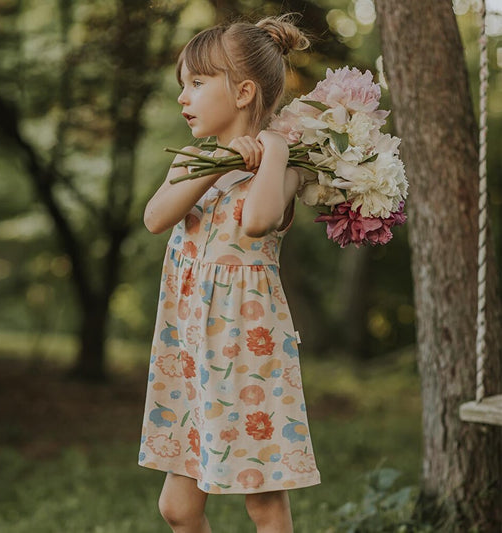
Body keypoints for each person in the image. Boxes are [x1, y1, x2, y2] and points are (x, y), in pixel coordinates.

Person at [138, 15, 321, 533]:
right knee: (178, 508)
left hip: (247, 353)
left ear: (243, 92)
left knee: (263, 506)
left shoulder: (284, 168)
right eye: (183, 86)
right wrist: (217, 164)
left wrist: (278, 151)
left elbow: (260, 220)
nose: (183, 97)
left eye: (196, 83)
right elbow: (155, 219)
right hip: (191, 353)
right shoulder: (192, 161)